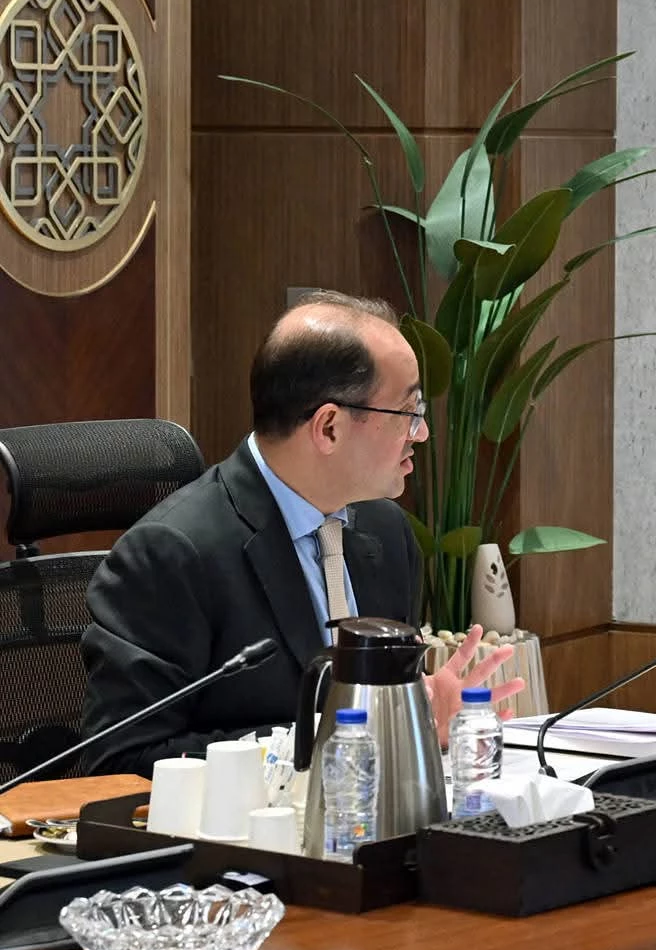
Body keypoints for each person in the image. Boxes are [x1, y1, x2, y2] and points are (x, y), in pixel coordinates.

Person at [80, 291, 523, 776]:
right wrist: (332, 740)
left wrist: (416, 716)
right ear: (329, 427)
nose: (421, 434)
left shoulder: (388, 533)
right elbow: (119, 761)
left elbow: (387, 717)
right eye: (409, 413)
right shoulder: (171, 554)